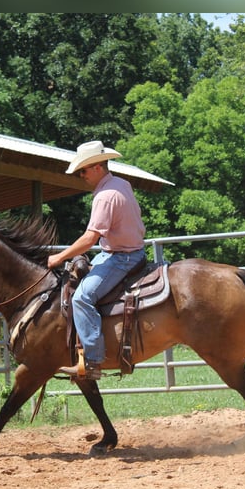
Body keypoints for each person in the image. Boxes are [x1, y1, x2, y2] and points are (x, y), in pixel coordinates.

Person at [47, 140, 147, 380]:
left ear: (96, 167)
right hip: (128, 251)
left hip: (121, 257)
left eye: (83, 170)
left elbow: (90, 238)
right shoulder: (122, 184)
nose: (81, 175)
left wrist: (59, 257)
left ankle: (92, 362)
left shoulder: (104, 196)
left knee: (81, 298)